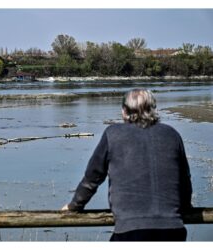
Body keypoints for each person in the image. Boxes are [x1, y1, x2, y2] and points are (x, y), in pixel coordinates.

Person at [62, 88, 193, 241]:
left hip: (130, 230)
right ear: (153, 109)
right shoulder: (172, 134)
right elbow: (185, 180)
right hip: (173, 228)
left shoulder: (113, 134)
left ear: (124, 111)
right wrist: (185, 207)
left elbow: (92, 178)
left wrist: (74, 206)